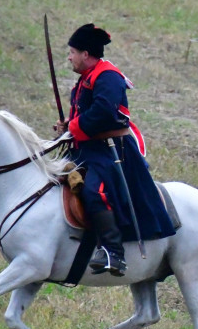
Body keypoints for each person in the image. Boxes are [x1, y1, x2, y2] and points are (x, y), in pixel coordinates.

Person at [54, 23, 176, 275]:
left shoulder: (107, 76)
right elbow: (87, 114)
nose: (69, 57)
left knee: (94, 192)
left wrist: (74, 127)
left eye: (72, 52)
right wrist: (68, 126)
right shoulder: (87, 78)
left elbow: (102, 113)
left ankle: (113, 251)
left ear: (85, 54)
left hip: (110, 151)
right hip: (87, 149)